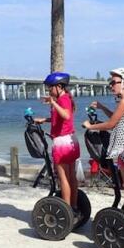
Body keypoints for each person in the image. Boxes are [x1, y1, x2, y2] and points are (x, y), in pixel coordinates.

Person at [82, 68, 124, 239]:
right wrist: (103, 107)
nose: (110, 85)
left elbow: (111, 125)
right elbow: (118, 118)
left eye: (114, 82)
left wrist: (91, 126)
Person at [33, 72, 82, 223]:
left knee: (64, 179)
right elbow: (61, 119)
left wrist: (53, 103)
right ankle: (73, 208)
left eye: (50, 88)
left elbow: (66, 115)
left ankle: (67, 211)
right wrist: (45, 119)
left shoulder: (63, 99)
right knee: (71, 177)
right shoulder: (64, 98)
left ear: (59, 86)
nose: (49, 90)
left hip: (62, 144)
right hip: (70, 141)